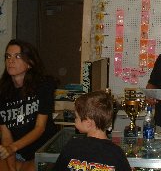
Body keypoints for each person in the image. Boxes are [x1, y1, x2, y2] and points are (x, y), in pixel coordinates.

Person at [0, 39, 58, 171]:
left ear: (30, 63)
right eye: (8, 56)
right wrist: (11, 166)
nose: (11, 60)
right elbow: (5, 134)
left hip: (42, 151)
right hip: (15, 153)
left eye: (18, 56)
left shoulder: (44, 85)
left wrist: (12, 148)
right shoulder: (2, 92)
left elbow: (40, 128)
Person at [54, 91, 131, 171]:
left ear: (88, 123)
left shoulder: (72, 146)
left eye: (76, 117)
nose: (75, 120)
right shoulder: (116, 152)